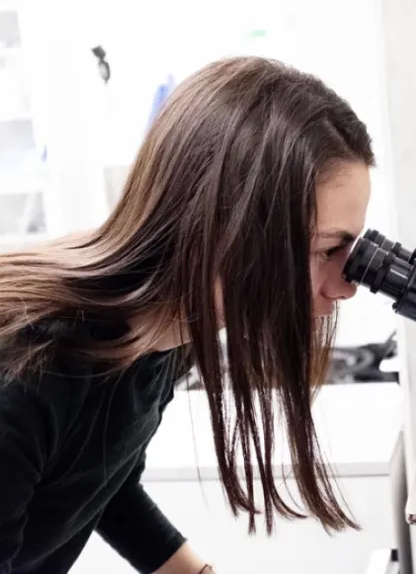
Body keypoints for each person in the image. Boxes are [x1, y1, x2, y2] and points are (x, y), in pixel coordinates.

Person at [0, 56, 374, 573]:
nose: (345, 286)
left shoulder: (163, 337)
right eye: (325, 249)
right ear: (219, 226)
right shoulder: (29, 368)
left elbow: (101, 485)